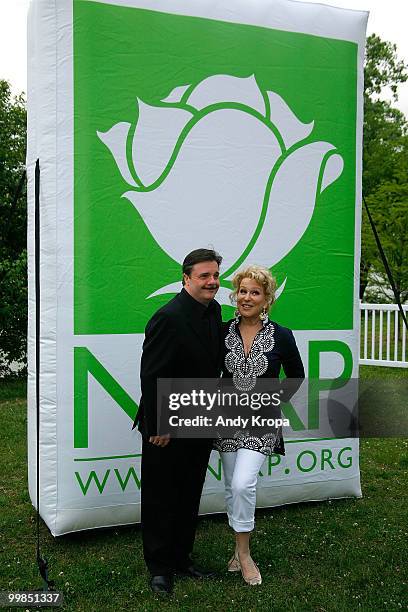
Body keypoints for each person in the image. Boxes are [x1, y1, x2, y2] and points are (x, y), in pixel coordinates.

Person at [132, 248, 223, 595]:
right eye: (204, 276)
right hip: (166, 422)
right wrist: (158, 425)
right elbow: (151, 375)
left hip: (199, 415)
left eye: (215, 275)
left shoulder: (214, 311)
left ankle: (182, 558)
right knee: (160, 496)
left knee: (189, 492)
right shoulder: (167, 317)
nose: (212, 282)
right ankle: (159, 568)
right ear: (186, 278)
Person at [214, 265, 305, 586]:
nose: (247, 297)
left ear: (267, 299)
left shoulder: (282, 335)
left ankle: (245, 554)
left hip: (262, 420)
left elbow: (296, 376)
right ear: (234, 295)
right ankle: (238, 549)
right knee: (230, 486)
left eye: (255, 292)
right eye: (242, 291)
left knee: (242, 483)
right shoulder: (222, 331)